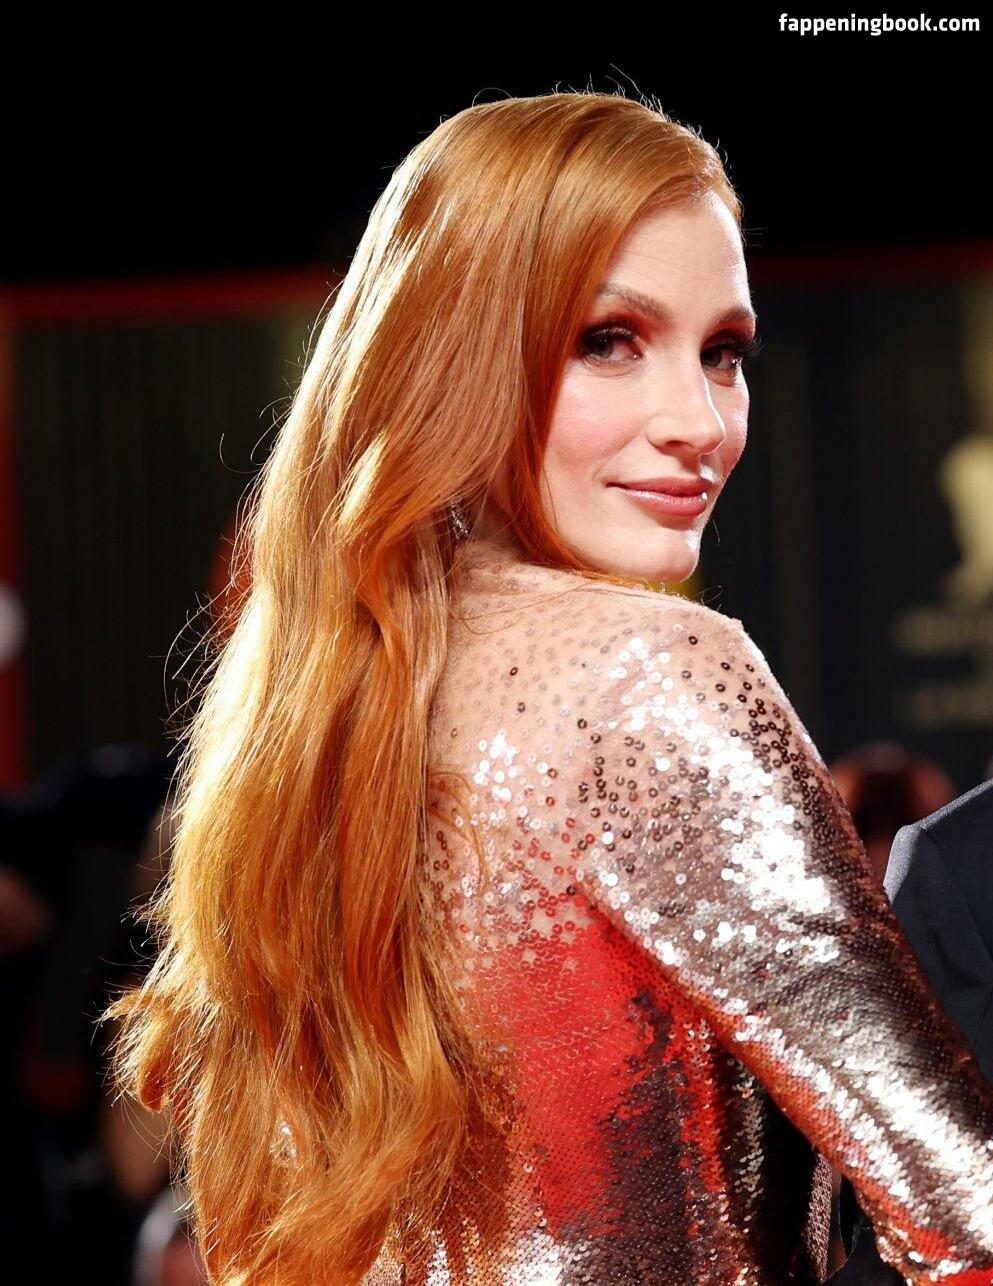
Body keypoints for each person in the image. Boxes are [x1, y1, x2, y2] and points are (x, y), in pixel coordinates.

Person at [99, 90, 993, 1284]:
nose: (699, 421)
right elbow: (967, 1214)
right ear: (455, 358)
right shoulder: (649, 673)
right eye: (609, 340)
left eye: (724, 352)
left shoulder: (311, 726)